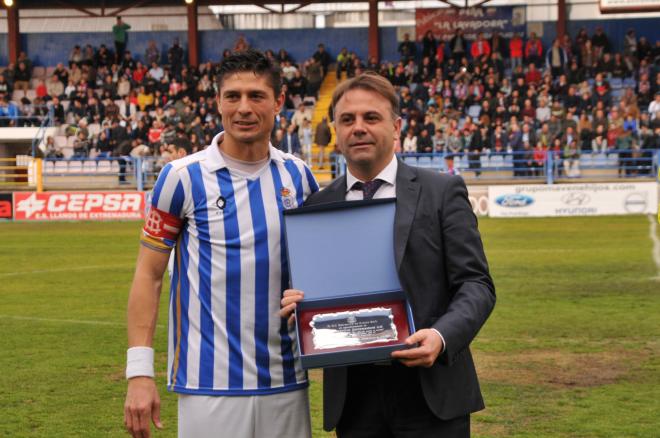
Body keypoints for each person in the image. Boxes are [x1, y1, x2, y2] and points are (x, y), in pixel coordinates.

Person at [281, 73, 495, 437]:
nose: (358, 128)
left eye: (371, 118)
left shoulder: (441, 191)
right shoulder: (318, 205)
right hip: (355, 400)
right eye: (347, 120)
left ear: (396, 128)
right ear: (336, 130)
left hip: (432, 393)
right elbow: (315, 289)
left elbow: (476, 285)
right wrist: (297, 304)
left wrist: (441, 337)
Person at [124, 49, 318, 438]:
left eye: (256, 96)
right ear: (218, 102)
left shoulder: (297, 176)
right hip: (207, 385)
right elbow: (149, 275)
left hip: (285, 379)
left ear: (279, 101)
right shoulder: (182, 177)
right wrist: (139, 372)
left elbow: (317, 268)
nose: (243, 108)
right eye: (232, 96)